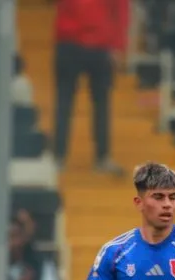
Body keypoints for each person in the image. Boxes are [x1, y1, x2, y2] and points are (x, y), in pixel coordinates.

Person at [53, 0, 127, 174]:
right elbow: (121, 11)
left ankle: (63, 157)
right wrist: (118, 45)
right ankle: (97, 157)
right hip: (77, 40)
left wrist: (117, 45)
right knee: (70, 103)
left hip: (85, 42)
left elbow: (121, 9)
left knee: (91, 103)